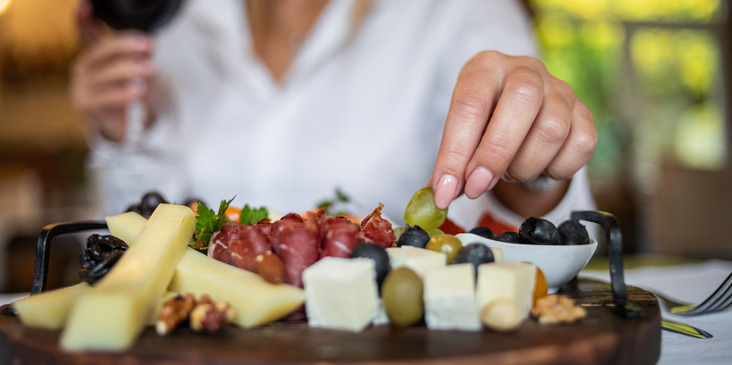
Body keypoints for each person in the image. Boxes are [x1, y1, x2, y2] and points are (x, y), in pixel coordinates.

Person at [70, 0, 597, 231]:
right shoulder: (175, 23)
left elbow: (544, 212)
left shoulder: (459, 10)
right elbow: (136, 230)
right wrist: (123, 133)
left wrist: (533, 158)